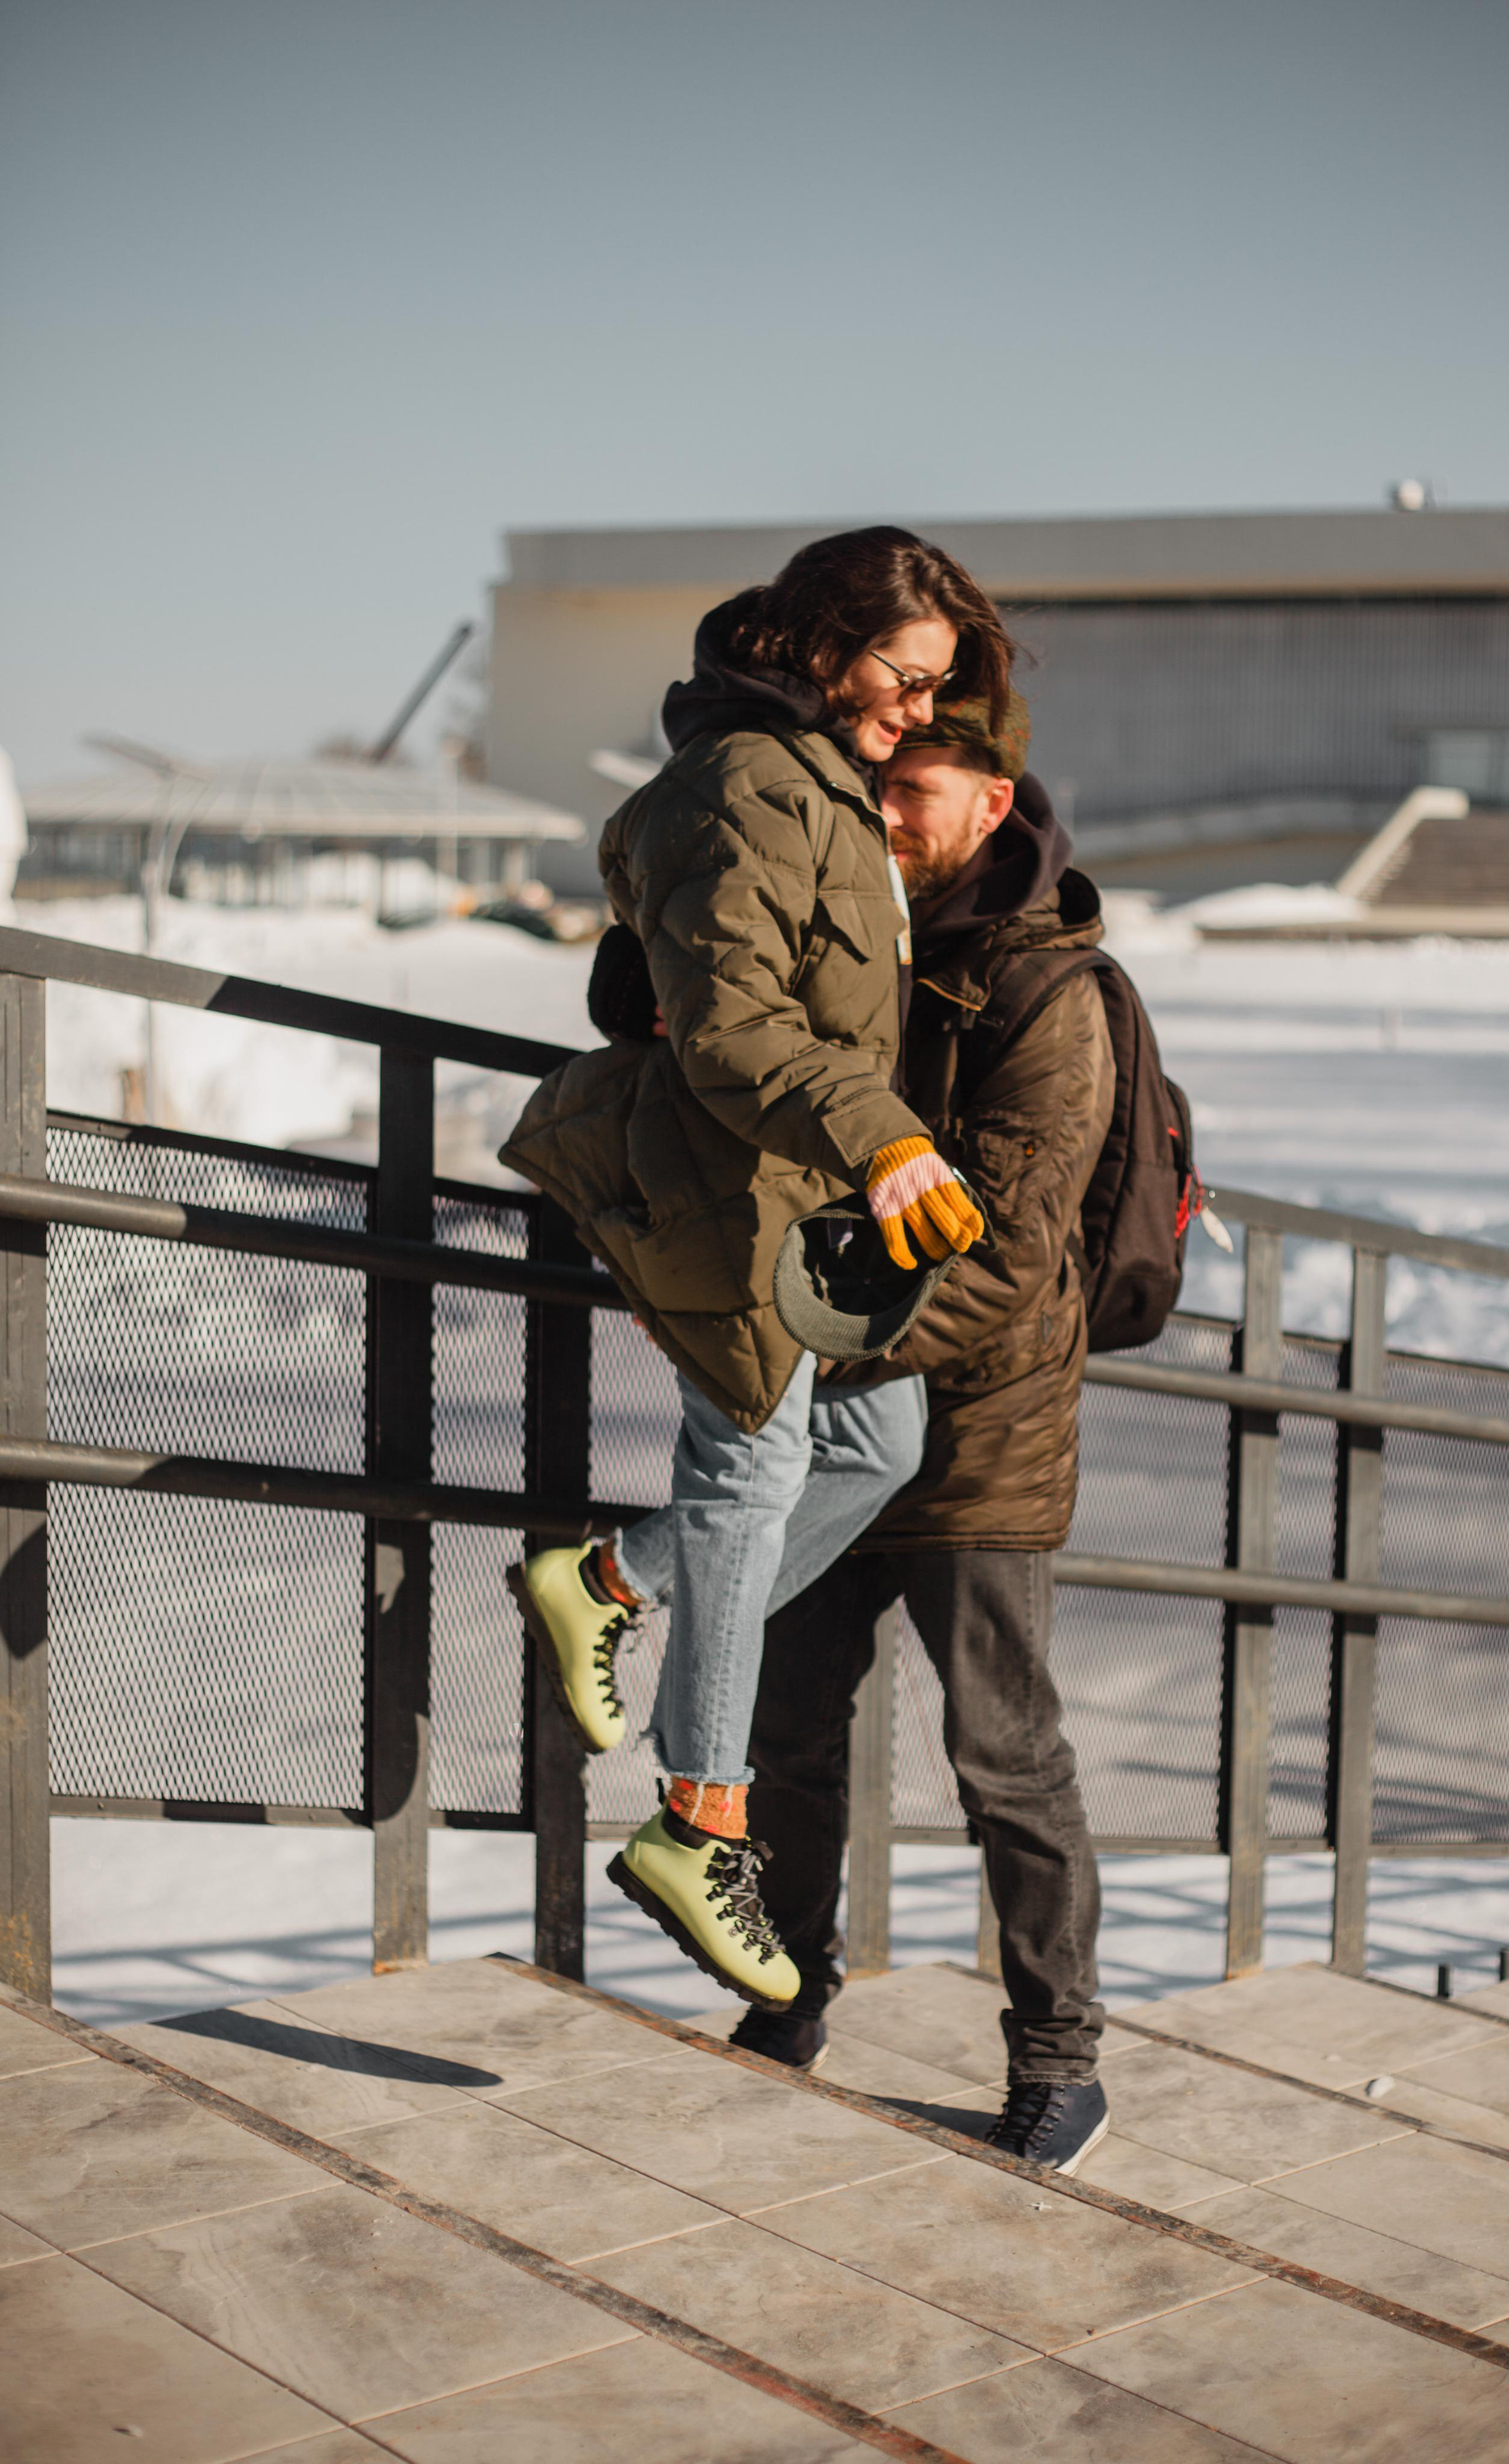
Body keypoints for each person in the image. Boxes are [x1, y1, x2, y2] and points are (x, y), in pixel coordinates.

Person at [500, 528, 1014, 2008]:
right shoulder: (743, 782)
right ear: (820, 643)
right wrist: (882, 1135)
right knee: (748, 1475)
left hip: (792, 1198)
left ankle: (606, 1580)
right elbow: (729, 1027)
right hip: (725, 1191)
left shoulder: (818, 783)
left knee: (876, 1440)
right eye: (902, 674)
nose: (917, 707)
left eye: (935, 688)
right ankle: (696, 1823)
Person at [732, 687, 1119, 2175]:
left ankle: (1059, 2061)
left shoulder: (1047, 992)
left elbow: (1010, 1259)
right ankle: (787, 2002)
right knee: (786, 1734)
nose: (886, 812)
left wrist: (822, 1351)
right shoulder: (846, 937)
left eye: (918, 789)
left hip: (976, 1432)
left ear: (994, 799)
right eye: (876, 784)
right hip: (835, 1415)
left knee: (1002, 1755)